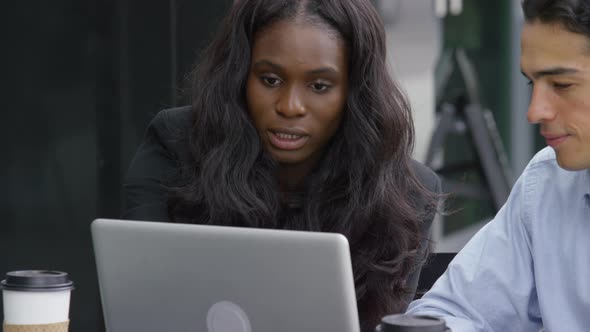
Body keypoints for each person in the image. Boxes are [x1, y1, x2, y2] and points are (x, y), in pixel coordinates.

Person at [123, 0, 441, 330]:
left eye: (319, 86)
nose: (290, 107)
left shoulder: (404, 197)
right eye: (270, 80)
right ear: (240, 77)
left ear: (354, 93)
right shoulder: (175, 148)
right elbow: (138, 303)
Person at [406, 0, 590, 331]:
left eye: (562, 84)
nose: (535, 112)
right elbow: (450, 312)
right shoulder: (547, 183)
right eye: (532, 83)